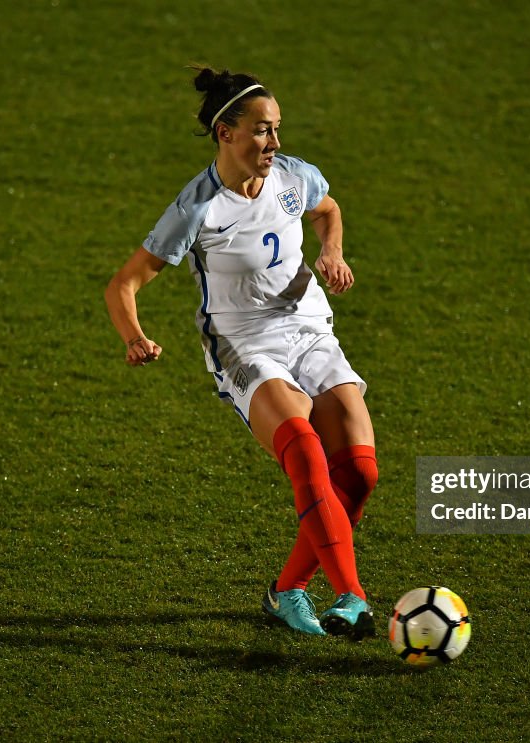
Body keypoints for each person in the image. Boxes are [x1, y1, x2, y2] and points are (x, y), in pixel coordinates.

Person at [105, 67, 378, 640]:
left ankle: (287, 592)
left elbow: (328, 210)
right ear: (225, 134)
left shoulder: (292, 178)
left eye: (276, 129)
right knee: (304, 450)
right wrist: (135, 336)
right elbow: (124, 284)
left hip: (310, 329)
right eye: (261, 131)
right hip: (243, 344)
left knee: (358, 471)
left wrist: (334, 252)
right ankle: (352, 594)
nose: (274, 143)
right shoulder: (198, 208)